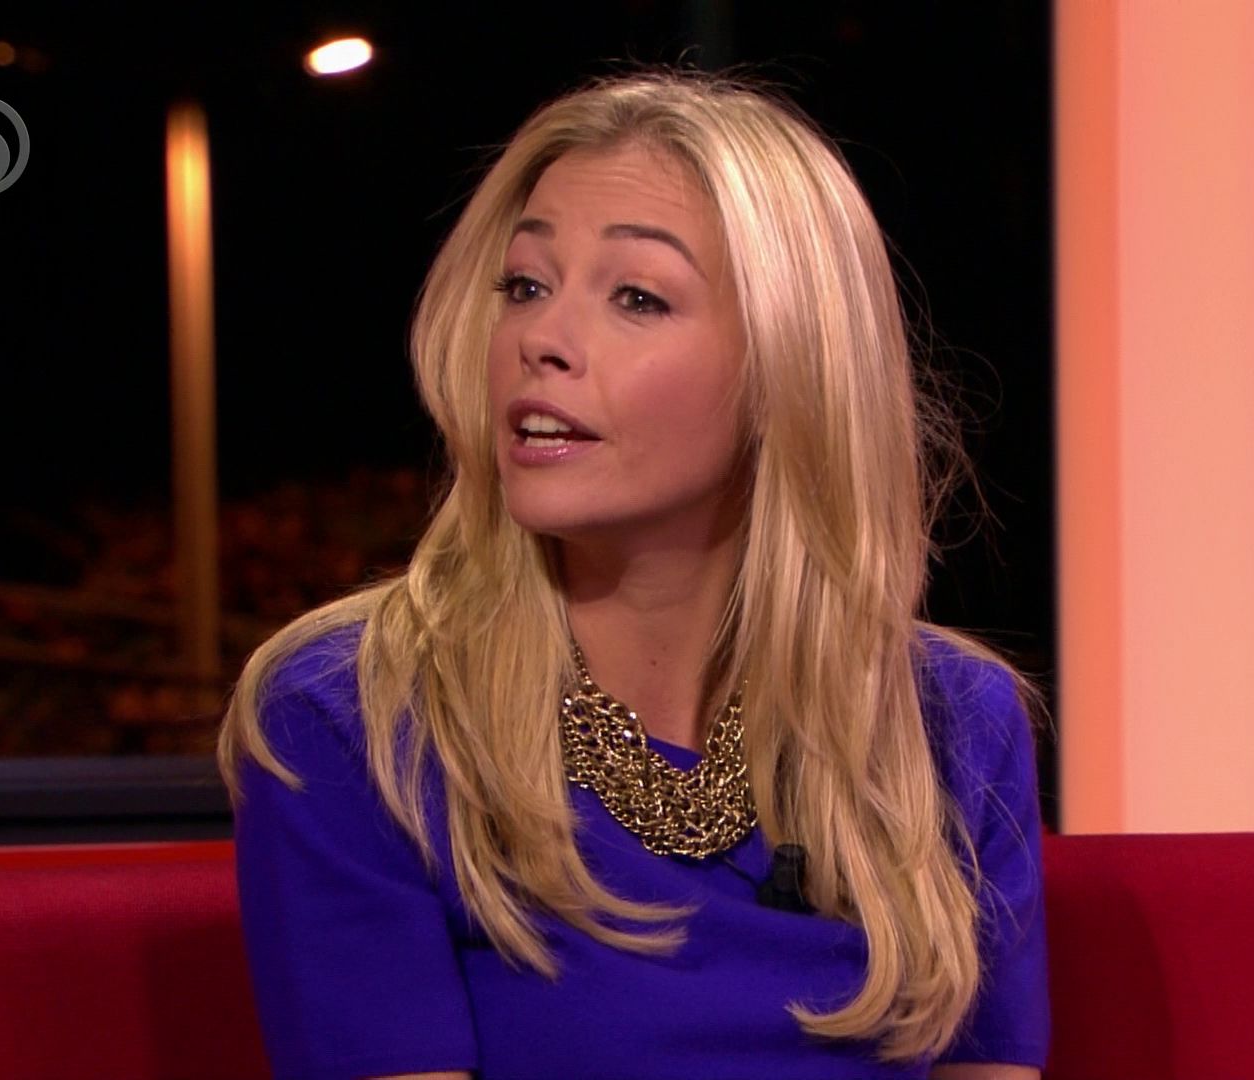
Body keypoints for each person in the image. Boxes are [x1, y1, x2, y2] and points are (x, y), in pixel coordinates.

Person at [218, 68, 1050, 1080]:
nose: (541, 340)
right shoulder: (356, 719)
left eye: (637, 298)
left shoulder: (949, 724)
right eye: (525, 286)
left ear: (789, 368)